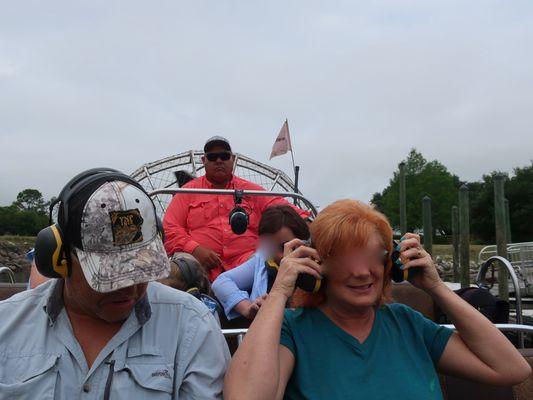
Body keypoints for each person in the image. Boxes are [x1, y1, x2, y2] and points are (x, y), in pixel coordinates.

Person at [224, 199, 531, 400]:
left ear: (392, 264)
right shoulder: (293, 331)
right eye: (344, 259)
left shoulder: (407, 324)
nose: (361, 272)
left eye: (375, 256)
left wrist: (437, 288)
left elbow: (511, 369)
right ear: (316, 265)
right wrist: (280, 292)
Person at [0, 169, 229, 399]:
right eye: (110, 275)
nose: (130, 288)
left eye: (141, 270)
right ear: (61, 258)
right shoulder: (6, 326)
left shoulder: (192, 326)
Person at [163, 136, 310, 281]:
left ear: (232, 159)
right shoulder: (188, 192)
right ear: (204, 161)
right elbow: (169, 228)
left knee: (264, 263)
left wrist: (310, 223)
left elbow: (283, 208)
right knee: (181, 268)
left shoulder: (252, 191)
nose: (219, 160)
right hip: (198, 265)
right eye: (213, 157)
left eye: (224, 156)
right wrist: (195, 249)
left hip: (247, 263)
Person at [212, 205, 309, 320]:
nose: (279, 255)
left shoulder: (318, 268)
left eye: (284, 247)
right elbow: (221, 282)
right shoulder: (262, 260)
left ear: (304, 244)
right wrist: (247, 308)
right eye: (270, 248)